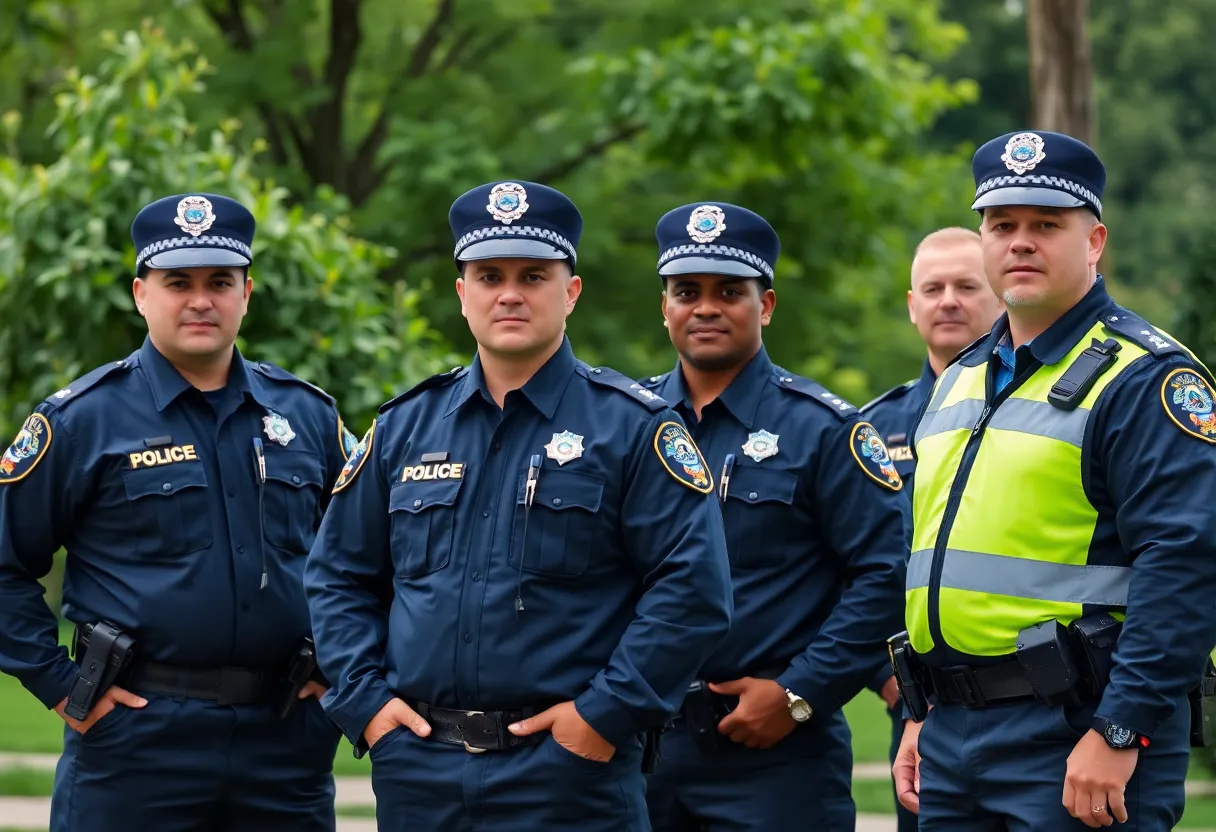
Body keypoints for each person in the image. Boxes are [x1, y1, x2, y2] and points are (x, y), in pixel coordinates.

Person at [303, 180, 733, 832]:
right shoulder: (403, 428)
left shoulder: (634, 430)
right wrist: (367, 705)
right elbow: (337, 574)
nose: (509, 293)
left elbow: (693, 592)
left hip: (569, 777)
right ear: (461, 293)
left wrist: (604, 716)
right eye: (488, 275)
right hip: (421, 771)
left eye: (533, 274)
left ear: (572, 291)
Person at [891, 130, 1216, 830]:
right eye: (1002, 225)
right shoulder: (960, 381)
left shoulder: (1145, 377)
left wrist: (1121, 728)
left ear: (1094, 241)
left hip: (1079, 736)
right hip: (953, 737)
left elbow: (1186, 565)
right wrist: (924, 715)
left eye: (1046, 225)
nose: (1021, 242)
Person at [0, 193, 354, 831]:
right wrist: (60, 685)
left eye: (220, 281)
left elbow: (375, 552)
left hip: (285, 743)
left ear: (247, 292)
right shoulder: (82, 421)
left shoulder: (307, 417)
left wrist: (345, 666)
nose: (201, 300)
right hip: (135, 743)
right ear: (141, 294)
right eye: (178, 282)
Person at [638, 202, 908, 830]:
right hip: (639, 746)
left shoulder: (823, 431)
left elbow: (884, 575)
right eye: (687, 291)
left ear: (766, 306)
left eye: (730, 291)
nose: (706, 307)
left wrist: (802, 693)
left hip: (777, 759)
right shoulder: (626, 424)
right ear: (665, 306)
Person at [860, 226, 1003, 832]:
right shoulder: (869, 431)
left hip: (1041, 696)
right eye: (933, 288)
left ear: (998, 294)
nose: (949, 300)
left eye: (967, 286)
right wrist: (887, 678)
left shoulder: (1052, 409)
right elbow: (842, 567)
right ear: (911, 305)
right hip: (917, 705)